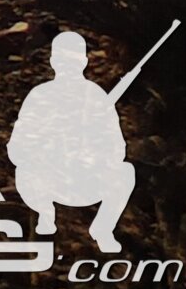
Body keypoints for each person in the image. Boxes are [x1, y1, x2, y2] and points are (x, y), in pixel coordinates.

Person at [9, 30, 138, 254]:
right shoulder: (40, 96)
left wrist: (90, 149)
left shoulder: (96, 97)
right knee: (25, 171)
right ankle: (45, 214)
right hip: (49, 182)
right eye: (62, 60)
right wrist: (49, 148)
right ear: (53, 62)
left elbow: (118, 149)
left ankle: (103, 228)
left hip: (86, 181)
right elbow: (17, 148)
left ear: (84, 62)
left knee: (125, 172)